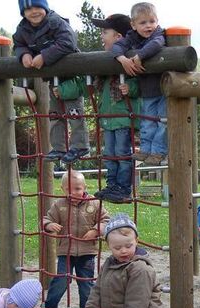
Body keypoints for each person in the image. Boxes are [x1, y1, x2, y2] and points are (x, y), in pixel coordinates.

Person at [56, 14, 139, 202]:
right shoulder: (101, 65)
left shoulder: (130, 59)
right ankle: (111, 186)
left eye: (104, 32)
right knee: (109, 155)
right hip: (107, 120)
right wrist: (62, 90)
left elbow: (139, 86)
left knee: (123, 155)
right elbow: (85, 87)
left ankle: (124, 188)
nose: (101, 36)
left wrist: (130, 88)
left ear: (118, 37)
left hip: (124, 119)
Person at [33, 170, 110, 308]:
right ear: (62, 190)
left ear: (84, 187)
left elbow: (106, 220)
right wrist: (49, 225)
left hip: (87, 252)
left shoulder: (94, 203)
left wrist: (96, 230)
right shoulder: (59, 205)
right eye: (69, 189)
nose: (73, 192)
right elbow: (45, 219)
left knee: (86, 285)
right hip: (65, 252)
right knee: (60, 281)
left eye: (77, 188)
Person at [13, 0, 88, 164]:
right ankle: (59, 147)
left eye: (38, 7)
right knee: (54, 114)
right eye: (28, 9)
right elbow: (18, 44)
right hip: (52, 80)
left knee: (74, 112)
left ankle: (80, 144)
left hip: (70, 77)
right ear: (23, 13)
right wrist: (24, 54)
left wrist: (44, 56)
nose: (34, 12)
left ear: (45, 7)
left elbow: (68, 42)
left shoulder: (56, 22)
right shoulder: (23, 29)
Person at [111, 2, 167, 166]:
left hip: (164, 88)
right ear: (133, 25)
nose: (148, 26)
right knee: (147, 121)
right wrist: (122, 59)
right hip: (147, 90)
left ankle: (158, 152)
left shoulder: (159, 34)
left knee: (163, 122)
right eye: (143, 23)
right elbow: (116, 47)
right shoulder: (131, 37)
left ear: (157, 21)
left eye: (152, 21)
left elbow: (156, 44)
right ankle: (145, 149)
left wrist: (139, 56)